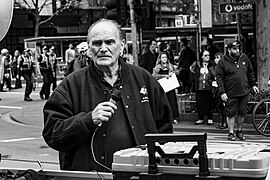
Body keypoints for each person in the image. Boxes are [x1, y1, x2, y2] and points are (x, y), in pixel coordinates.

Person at [42, 19, 173, 172]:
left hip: (141, 174)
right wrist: (87, 120)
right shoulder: (71, 84)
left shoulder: (144, 79)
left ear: (122, 45)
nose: (103, 48)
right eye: (97, 43)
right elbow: (52, 134)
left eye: (110, 42)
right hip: (91, 176)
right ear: (89, 49)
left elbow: (165, 131)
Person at [216, 40, 259, 141]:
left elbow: (250, 72)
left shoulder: (244, 58)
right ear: (229, 50)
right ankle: (231, 132)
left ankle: (239, 131)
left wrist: (253, 85)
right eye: (234, 49)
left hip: (244, 90)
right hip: (230, 91)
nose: (237, 50)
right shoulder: (223, 61)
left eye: (238, 48)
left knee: (242, 112)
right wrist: (222, 92)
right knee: (231, 113)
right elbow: (219, 78)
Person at [152, 51, 180, 124]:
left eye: (165, 57)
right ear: (160, 59)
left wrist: (173, 73)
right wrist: (163, 76)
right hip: (162, 88)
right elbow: (154, 76)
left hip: (171, 87)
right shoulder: (157, 67)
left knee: (172, 102)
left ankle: (174, 117)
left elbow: (178, 72)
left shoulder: (170, 66)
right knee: (163, 102)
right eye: (163, 57)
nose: (164, 59)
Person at [190, 49, 215, 125]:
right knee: (200, 103)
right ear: (202, 57)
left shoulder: (212, 64)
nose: (208, 57)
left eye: (208, 55)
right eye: (205, 55)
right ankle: (200, 118)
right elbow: (191, 69)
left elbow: (215, 74)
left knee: (210, 102)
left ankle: (210, 118)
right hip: (199, 87)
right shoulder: (197, 64)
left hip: (209, 87)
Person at [211, 52, 227, 129]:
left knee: (224, 105)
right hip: (215, 88)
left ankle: (225, 122)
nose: (217, 60)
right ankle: (221, 121)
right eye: (216, 58)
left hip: (223, 88)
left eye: (218, 58)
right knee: (219, 105)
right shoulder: (213, 68)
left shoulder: (224, 68)